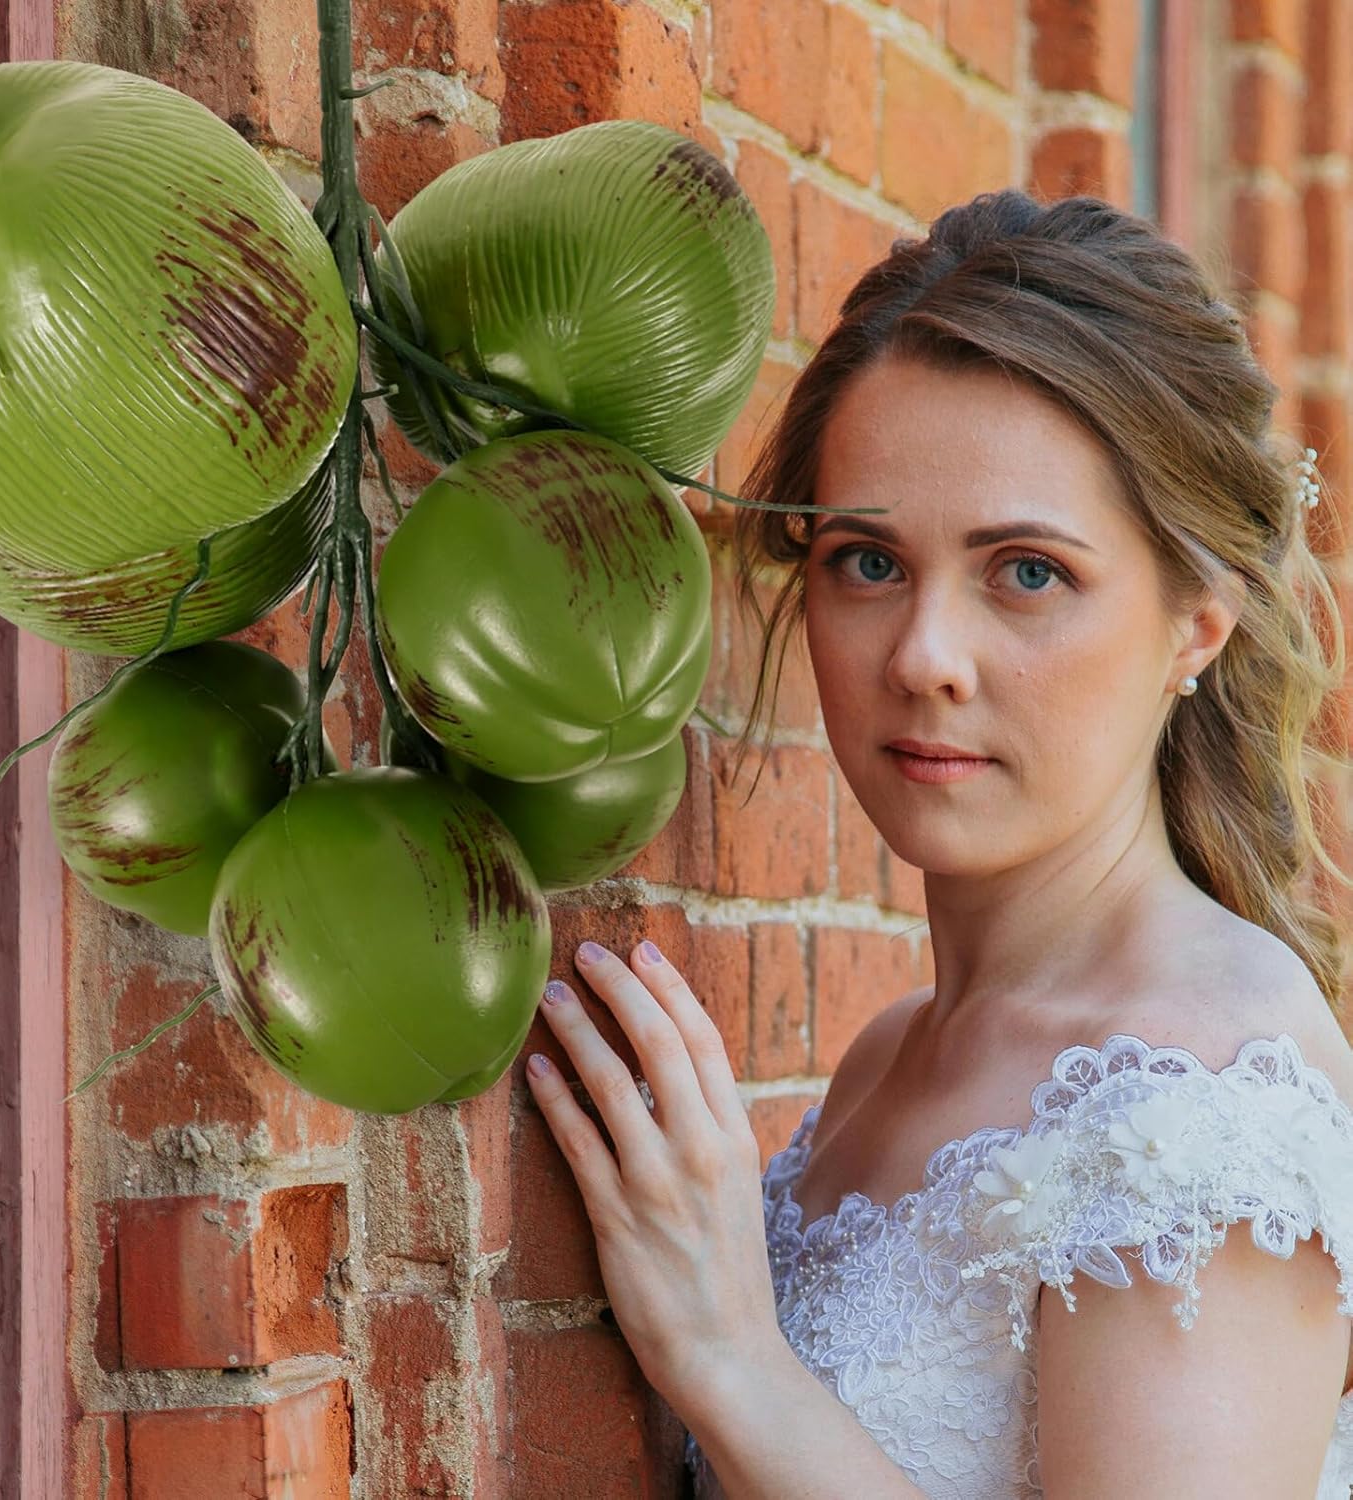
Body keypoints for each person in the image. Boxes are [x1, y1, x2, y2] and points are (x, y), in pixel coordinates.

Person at [521, 189, 1353, 1498]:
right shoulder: (880, 1064)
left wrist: (736, 1362)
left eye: (1027, 572)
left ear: (1199, 622)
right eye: (867, 562)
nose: (923, 657)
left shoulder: (1206, 1089)